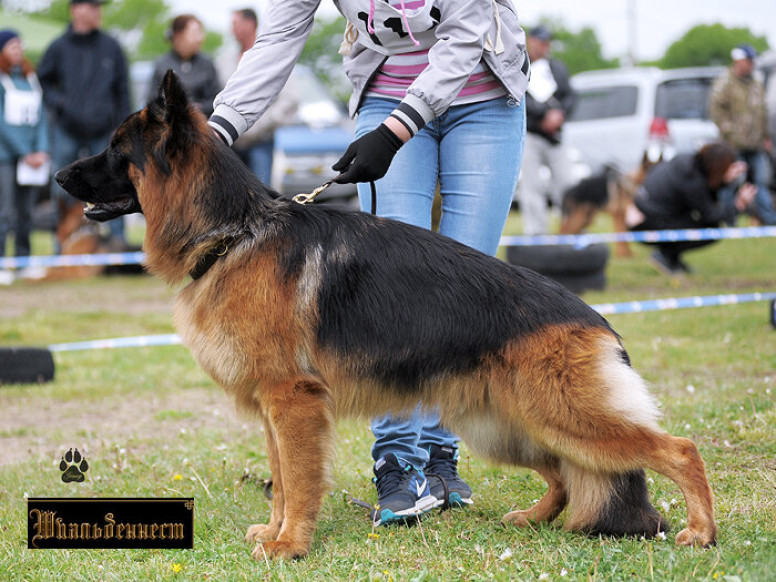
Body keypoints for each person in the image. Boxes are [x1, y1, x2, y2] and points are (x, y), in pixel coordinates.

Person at [208, 1, 529, 526]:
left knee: (468, 284)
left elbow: (468, 34)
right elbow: (278, 40)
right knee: (392, 290)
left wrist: (397, 130)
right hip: (387, 90)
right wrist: (215, 132)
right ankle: (399, 463)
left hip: (483, 93)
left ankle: (440, 455)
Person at [37, 0, 130, 251]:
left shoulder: (111, 47)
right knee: (62, 188)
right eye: (93, 6)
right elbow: (42, 80)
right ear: (76, 9)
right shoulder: (58, 48)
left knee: (114, 184)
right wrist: (59, 102)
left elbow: (122, 90)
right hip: (67, 131)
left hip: (104, 132)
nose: (99, 11)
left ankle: (117, 246)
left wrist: (122, 128)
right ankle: (61, 247)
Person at [626, 141, 756, 275]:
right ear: (718, 167)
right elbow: (711, 215)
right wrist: (738, 204)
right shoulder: (692, 179)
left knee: (694, 221)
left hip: (647, 214)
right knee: (712, 231)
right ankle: (665, 255)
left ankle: (671, 258)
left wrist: (724, 180)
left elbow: (706, 199)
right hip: (645, 223)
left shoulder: (688, 162)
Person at [215, 8, 298, 184]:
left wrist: (262, 123)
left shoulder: (272, 55)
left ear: (250, 24)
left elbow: (290, 99)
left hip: (261, 141)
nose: (232, 30)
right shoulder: (224, 60)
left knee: (261, 193)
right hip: (230, 145)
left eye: (235, 24)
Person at [515, 24, 577, 235]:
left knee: (567, 183)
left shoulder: (557, 67)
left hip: (555, 135)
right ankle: (535, 233)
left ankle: (570, 228)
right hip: (532, 133)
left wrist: (559, 115)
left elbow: (570, 96)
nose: (544, 46)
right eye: (540, 41)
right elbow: (518, 96)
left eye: (547, 42)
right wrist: (543, 115)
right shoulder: (520, 64)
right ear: (530, 40)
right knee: (531, 187)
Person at [0, 30, 49, 284]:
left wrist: (41, 149)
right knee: (4, 211)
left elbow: (41, 118)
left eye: (20, 45)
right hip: (7, 158)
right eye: (12, 46)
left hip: (32, 160)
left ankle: (23, 260)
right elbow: (3, 124)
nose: (18, 50)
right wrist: (24, 151)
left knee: (25, 212)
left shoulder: (31, 79)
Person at [709, 44, 776, 225]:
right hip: (733, 146)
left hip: (755, 145)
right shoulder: (725, 83)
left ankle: (770, 221)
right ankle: (728, 219)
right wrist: (730, 133)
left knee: (761, 183)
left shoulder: (755, 84)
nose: (751, 64)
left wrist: (765, 136)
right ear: (739, 61)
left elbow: (762, 112)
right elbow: (716, 111)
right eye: (749, 61)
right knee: (730, 183)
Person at [149, 14, 221, 117]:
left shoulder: (206, 63)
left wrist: (198, 108)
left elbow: (217, 99)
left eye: (201, 33)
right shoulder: (162, 65)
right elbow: (153, 100)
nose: (200, 39)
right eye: (195, 34)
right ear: (178, 35)